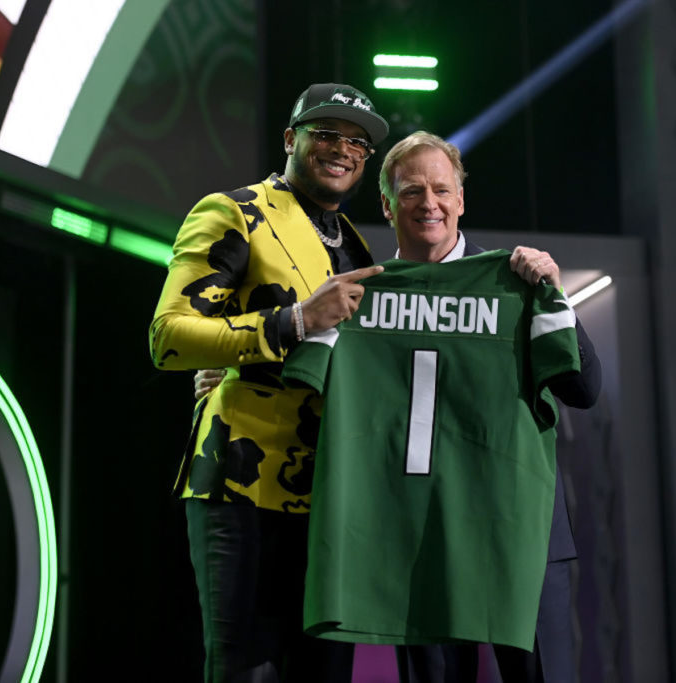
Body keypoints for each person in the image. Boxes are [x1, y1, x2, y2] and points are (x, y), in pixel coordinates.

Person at [149, 82, 390, 682]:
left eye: (357, 142)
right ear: (290, 139)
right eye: (326, 133)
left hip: (331, 496)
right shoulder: (234, 211)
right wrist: (292, 322)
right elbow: (169, 336)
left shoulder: (354, 243)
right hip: (242, 481)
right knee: (244, 671)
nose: (343, 149)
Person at [378, 132, 601, 683]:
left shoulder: (516, 283)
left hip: (522, 534)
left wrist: (554, 293)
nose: (428, 203)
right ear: (386, 205)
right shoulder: (365, 298)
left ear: (460, 200)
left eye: (441, 189)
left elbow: (584, 389)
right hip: (421, 541)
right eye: (411, 192)